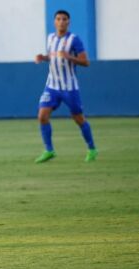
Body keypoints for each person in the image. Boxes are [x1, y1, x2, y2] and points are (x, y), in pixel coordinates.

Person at [34, 10, 98, 163]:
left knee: (78, 119)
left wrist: (69, 56)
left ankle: (92, 149)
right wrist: (43, 58)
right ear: (54, 22)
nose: (61, 21)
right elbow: (52, 57)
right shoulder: (50, 38)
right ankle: (49, 150)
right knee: (42, 116)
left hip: (69, 87)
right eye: (58, 19)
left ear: (68, 22)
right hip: (52, 85)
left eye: (64, 19)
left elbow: (86, 62)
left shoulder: (74, 40)